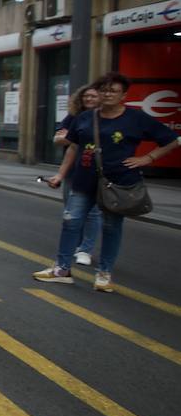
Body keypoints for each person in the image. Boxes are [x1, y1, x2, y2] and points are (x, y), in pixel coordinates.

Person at [38, 72, 179, 292]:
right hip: (83, 181)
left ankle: (104, 274)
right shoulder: (85, 118)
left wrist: (147, 158)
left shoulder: (136, 118)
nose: (107, 94)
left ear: (123, 94)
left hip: (119, 183)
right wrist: (60, 175)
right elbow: (74, 148)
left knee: (111, 227)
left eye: (113, 90)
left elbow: (171, 141)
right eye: (104, 90)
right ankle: (62, 270)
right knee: (71, 222)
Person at [54, 84, 102, 266]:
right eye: (86, 96)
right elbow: (58, 139)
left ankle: (85, 249)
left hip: (96, 173)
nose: (89, 99)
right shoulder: (74, 118)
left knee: (93, 213)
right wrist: (72, 138)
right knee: (72, 212)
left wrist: (70, 137)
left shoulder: (105, 118)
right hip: (73, 171)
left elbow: (66, 139)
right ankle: (77, 245)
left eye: (93, 96)